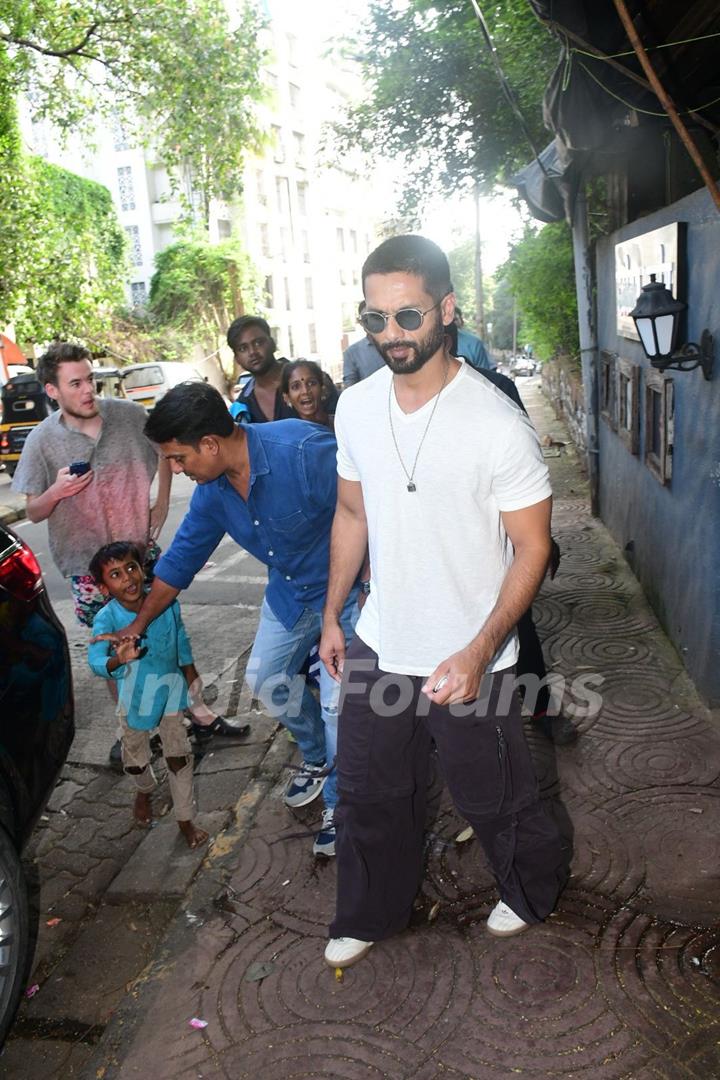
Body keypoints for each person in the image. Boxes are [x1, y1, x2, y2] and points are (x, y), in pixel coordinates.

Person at [319, 234, 568, 969]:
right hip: (382, 636)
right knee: (368, 791)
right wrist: (334, 614)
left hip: (472, 646)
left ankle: (530, 891)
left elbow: (534, 548)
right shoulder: (356, 409)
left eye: (408, 316)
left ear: (447, 309)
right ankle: (370, 911)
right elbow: (352, 515)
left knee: (496, 794)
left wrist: (481, 647)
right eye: (375, 319)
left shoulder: (496, 422)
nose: (391, 336)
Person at [90, 382, 360, 856]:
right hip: (291, 592)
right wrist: (137, 626)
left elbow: (369, 510)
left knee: (341, 706)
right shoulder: (213, 491)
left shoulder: (302, 450)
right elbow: (177, 566)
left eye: (178, 459)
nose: (175, 470)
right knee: (265, 675)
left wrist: (371, 586)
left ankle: (343, 803)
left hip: (348, 590)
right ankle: (317, 757)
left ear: (210, 445)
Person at [10, 342, 171, 767]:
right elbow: (33, 510)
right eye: (76, 383)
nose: (88, 391)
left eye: (90, 380)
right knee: (114, 647)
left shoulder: (129, 416)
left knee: (163, 635)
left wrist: (164, 502)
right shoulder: (42, 441)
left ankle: (182, 716)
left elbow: (166, 450)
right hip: (86, 569)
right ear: (52, 390)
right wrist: (57, 491)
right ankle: (132, 732)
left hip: (139, 551)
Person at [87, 542, 209, 849]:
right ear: (104, 588)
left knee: (179, 757)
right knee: (136, 760)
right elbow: (95, 660)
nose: (128, 578)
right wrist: (118, 660)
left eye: (131, 567)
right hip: (134, 699)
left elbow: (180, 635)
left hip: (170, 692)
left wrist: (190, 670)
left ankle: (185, 819)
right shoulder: (107, 619)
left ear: (142, 569)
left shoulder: (165, 602)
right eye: (115, 575)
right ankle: (144, 790)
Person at [226, 316, 293, 422]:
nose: (252, 352)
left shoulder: (308, 379)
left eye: (258, 342)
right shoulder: (243, 405)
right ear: (237, 359)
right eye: (243, 348)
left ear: (272, 344)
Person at [281, 359, 335, 430]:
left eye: (311, 383)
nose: (305, 391)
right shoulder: (286, 435)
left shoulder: (342, 423)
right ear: (287, 397)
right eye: (296, 386)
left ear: (323, 389)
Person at [342, 303, 385, 387]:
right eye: (365, 319)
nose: (370, 322)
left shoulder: (396, 344)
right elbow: (350, 387)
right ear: (360, 322)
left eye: (374, 317)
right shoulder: (351, 353)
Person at [453, 306, 494, 371]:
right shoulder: (433, 343)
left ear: (462, 321)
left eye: (455, 319)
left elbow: (486, 375)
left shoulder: (474, 343)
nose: (450, 323)